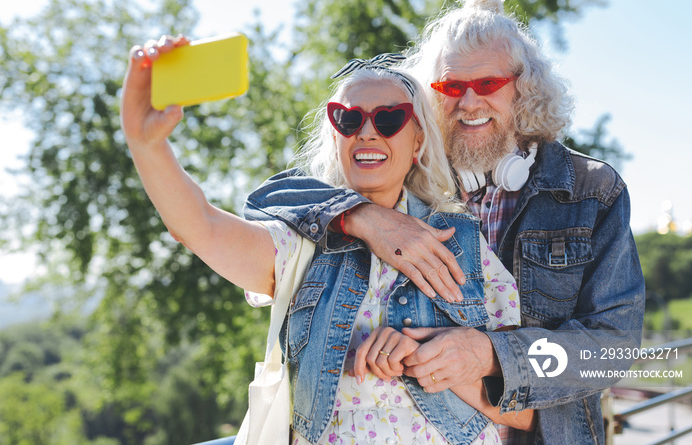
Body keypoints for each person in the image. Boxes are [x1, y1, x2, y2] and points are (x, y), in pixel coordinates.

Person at [243, 0, 645, 444]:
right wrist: (361, 217)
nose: (469, 103)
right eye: (452, 87)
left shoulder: (593, 189)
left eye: (488, 85)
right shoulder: (402, 169)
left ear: (525, 89)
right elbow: (270, 198)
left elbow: (612, 348)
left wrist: (490, 354)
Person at [120, 36, 533, 444]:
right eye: (349, 120)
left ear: (418, 142)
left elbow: (527, 412)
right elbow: (200, 227)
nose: (367, 133)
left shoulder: (464, 244)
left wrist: (437, 361)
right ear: (336, 137)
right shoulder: (298, 246)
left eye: (389, 119)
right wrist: (146, 144)